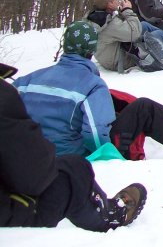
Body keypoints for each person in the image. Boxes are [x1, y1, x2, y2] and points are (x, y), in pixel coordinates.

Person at [14, 21, 163, 160]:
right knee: (143, 108)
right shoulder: (91, 85)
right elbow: (95, 135)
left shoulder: (27, 80)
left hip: (30, 153)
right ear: (91, 49)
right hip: (71, 156)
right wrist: (108, 158)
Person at [1, 63, 146, 231]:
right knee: (74, 171)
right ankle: (109, 215)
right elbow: (36, 176)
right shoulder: (3, 96)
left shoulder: (26, 79)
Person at [86, 0, 163, 73]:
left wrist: (121, 13)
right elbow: (134, 33)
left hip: (115, 49)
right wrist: (127, 10)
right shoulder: (108, 23)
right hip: (121, 59)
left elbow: (121, 28)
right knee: (157, 35)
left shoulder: (97, 16)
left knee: (144, 25)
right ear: (109, 4)